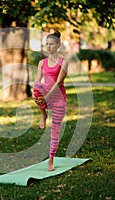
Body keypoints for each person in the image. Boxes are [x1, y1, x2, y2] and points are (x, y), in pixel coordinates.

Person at [33, 31, 68, 171]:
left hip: (58, 97)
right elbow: (37, 81)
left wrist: (48, 97)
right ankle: (43, 114)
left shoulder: (63, 62)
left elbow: (59, 82)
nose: (48, 47)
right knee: (35, 87)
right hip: (46, 93)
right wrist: (37, 95)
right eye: (46, 44)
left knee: (55, 131)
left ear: (58, 45)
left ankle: (51, 160)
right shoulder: (42, 62)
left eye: (51, 44)